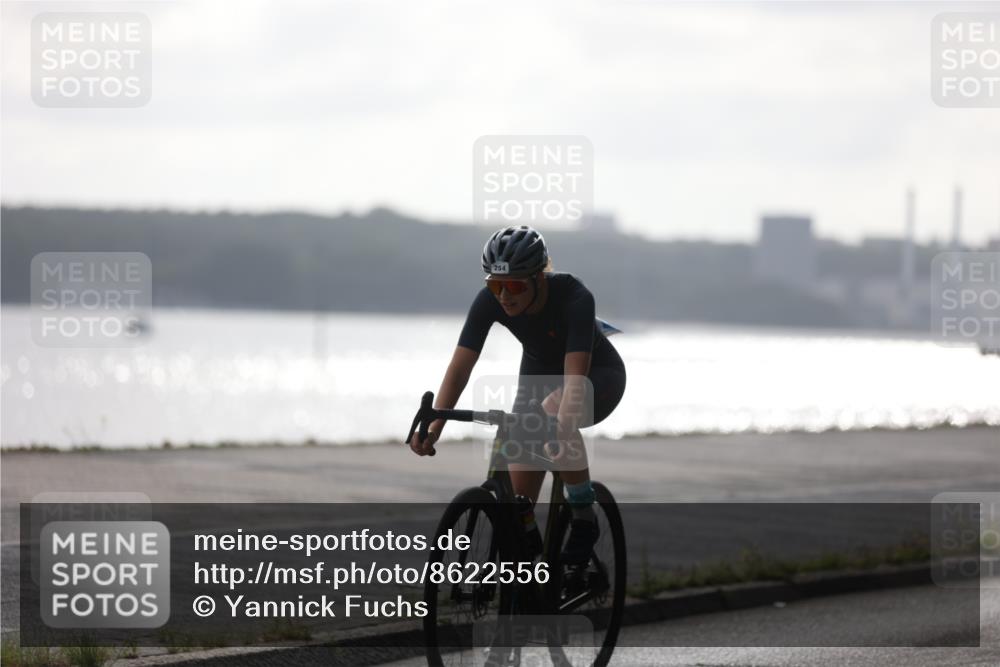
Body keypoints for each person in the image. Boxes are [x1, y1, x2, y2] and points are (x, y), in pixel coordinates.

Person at [409, 225, 627, 564]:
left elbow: (573, 383)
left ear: (540, 277)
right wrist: (435, 424)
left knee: (553, 410)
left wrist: (559, 432)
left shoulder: (575, 298)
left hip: (597, 377)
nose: (504, 296)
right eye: (495, 285)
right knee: (517, 506)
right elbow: (459, 369)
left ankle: (584, 518)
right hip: (538, 377)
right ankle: (530, 573)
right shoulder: (490, 300)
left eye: (514, 285)